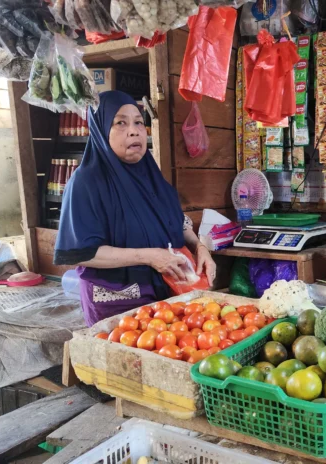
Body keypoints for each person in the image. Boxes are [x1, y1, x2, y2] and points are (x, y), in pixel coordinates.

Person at [54, 91, 216, 326]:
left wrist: (200, 247)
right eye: (120, 122)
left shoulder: (152, 177)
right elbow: (84, 252)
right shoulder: (86, 182)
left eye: (139, 122)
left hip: (167, 296)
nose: (134, 130)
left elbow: (175, 221)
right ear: (100, 130)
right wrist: (150, 256)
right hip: (118, 304)